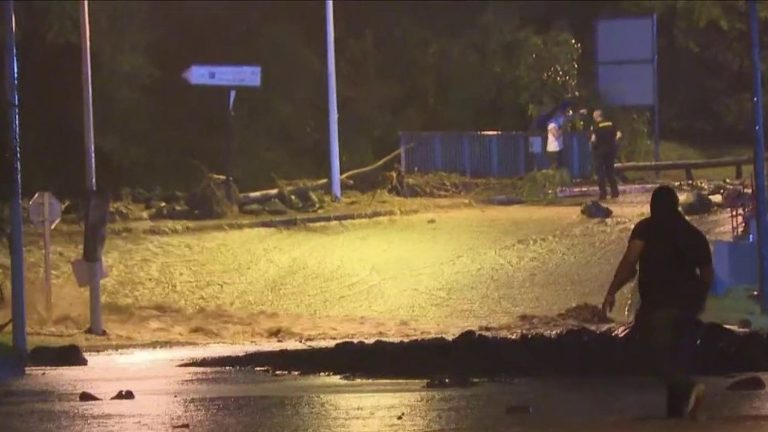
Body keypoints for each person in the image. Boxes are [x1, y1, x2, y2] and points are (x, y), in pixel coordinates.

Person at [602, 185, 713, 419]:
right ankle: (676, 415)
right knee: (675, 358)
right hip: (687, 308)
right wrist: (698, 302)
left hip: (659, 306)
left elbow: (629, 263)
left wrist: (612, 290)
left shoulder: (646, 228)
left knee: (651, 353)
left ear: (653, 206)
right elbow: (706, 274)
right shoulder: (693, 234)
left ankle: (688, 388)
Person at [590, 109, 622, 200]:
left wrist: (593, 146)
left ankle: (603, 193)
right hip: (610, 150)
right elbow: (619, 134)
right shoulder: (611, 123)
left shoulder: (595, 125)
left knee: (600, 173)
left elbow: (593, 139)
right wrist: (614, 142)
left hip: (599, 151)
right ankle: (615, 192)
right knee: (610, 171)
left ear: (596, 116)